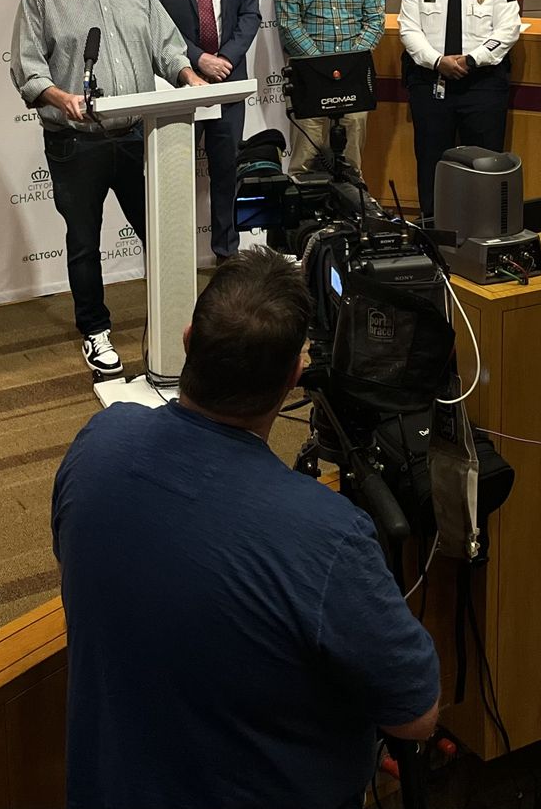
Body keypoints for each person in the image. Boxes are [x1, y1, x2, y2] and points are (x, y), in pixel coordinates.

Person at [52, 250, 440, 806]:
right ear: (294, 377)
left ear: (188, 342)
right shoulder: (329, 537)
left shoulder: (98, 444)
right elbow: (417, 717)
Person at [11, 0, 204, 377]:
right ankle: (95, 331)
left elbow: (166, 44)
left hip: (139, 133)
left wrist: (187, 75)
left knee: (157, 233)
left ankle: (176, 321)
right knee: (84, 241)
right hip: (77, 142)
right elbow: (27, 68)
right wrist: (60, 96)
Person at [138, 0, 262, 261]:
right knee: (175, 176)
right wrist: (198, 59)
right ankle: (172, 259)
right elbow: (154, 20)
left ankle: (227, 255)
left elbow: (249, 14)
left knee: (227, 172)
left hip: (228, 81)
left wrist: (224, 59)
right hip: (179, 83)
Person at [396, 0, 523, 219]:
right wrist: (438, 61)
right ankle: (433, 227)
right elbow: (409, 30)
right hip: (432, 82)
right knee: (431, 162)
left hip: (481, 85)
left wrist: (472, 60)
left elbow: (508, 30)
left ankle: (485, 225)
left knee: (485, 162)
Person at [274, 0, 385, 174]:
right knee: (304, 163)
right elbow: (289, 26)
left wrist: (346, 66)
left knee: (350, 166)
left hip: (355, 80)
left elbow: (375, 20)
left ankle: (351, 217)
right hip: (309, 79)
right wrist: (324, 68)